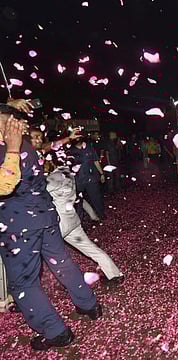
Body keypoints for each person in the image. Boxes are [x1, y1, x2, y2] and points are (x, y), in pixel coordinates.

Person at [0, 105, 102, 351]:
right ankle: (89, 305)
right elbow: (45, 149)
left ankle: (55, 332)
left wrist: (11, 148)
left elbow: (4, 186)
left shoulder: (13, 148)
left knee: (23, 282)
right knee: (62, 263)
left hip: (20, 226)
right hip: (45, 216)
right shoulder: (28, 146)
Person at [45, 153, 124, 285]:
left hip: (60, 224)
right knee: (91, 248)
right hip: (72, 220)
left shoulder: (54, 177)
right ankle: (114, 274)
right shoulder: (67, 172)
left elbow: (36, 191)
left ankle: (73, 286)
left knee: (45, 256)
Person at [69, 135, 106, 221]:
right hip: (78, 180)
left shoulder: (89, 148)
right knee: (78, 201)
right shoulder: (70, 150)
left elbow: (96, 161)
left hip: (92, 178)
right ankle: (79, 219)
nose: (77, 138)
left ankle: (101, 215)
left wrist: (101, 173)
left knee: (96, 198)